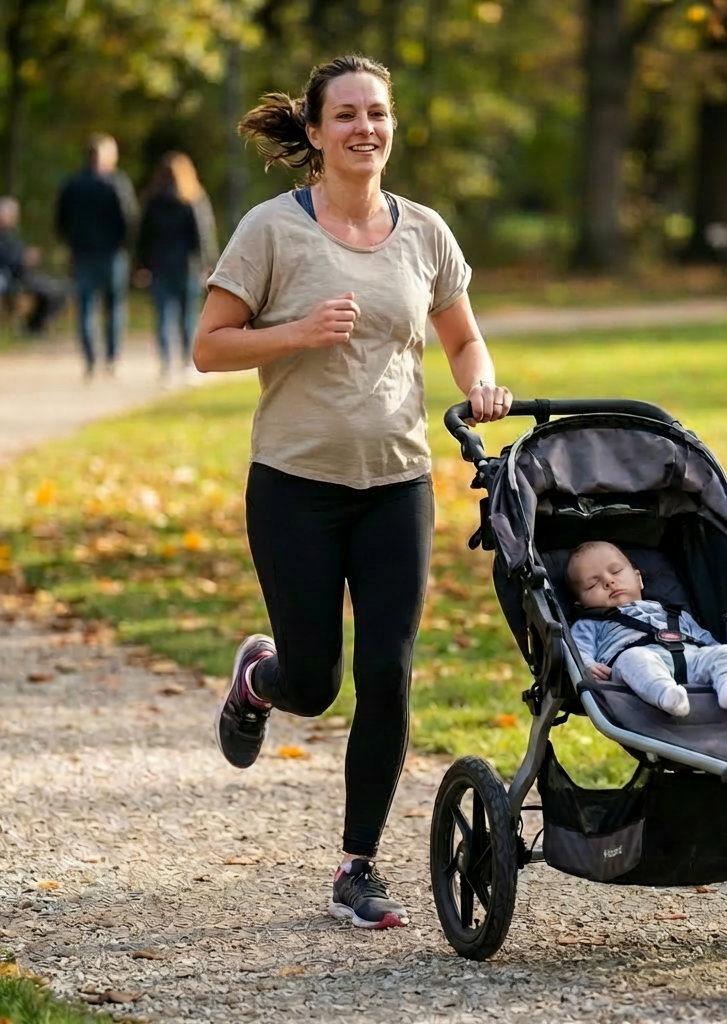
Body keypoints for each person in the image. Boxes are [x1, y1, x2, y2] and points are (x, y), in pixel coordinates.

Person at [192, 54, 513, 931]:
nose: (365, 128)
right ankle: (260, 682)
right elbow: (209, 347)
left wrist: (482, 383)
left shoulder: (425, 232)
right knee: (316, 680)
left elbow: (463, 339)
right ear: (316, 128)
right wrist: (294, 332)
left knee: (389, 673)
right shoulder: (271, 230)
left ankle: (358, 867)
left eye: (378, 114)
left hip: (397, 483)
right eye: (347, 115)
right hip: (294, 483)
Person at [566, 541, 727, 717]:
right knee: (634, 659)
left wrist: (716, 654)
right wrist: (587, 666)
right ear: (582, 604)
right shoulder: (590, 623)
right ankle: (666, 694)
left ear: (638, 579)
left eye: (616, 571)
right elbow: (576, 649)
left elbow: (704, 639)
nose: (609, 581)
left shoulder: (672, 612)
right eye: (593, 584)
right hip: (635, 668)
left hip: (691, 659)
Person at [56, 133, 137, 377]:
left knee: (86, 307)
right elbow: (129, 219)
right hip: (111, 253)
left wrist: (70, 242)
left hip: (82, 253)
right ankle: (111, 357)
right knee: (114, 306)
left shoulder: (73, 184)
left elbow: (61, 219)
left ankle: (90, 358)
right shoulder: (116, 183)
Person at [138, 152, 218, 381]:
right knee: (188, 316)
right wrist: (208, 263)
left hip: (160, 265)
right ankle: (187, 362)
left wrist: (142, 263)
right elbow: (202, 234)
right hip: (187, 266)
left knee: (163, 316)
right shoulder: (192, 198)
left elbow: (144, 236)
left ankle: (166, 364)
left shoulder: (153, 201)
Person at [0, 196, 66, 334]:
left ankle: (35, 326)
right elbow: (8, 259)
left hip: (24, 274)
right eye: (11, 213)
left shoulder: (12, 233)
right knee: (49, 292)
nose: (14, 217)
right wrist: (23, 257)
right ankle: (32, 328)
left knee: (60, 289)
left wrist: (26, 256)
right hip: (11, 277)